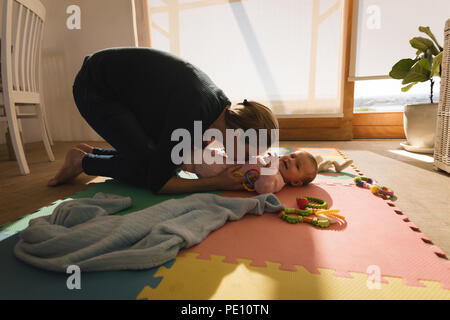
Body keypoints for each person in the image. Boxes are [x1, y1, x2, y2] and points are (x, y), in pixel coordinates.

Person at [47, 47, 279, 194]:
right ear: (239, 133)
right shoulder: (193, 112)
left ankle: (92, 153)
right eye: (248, 152)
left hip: (120, 89)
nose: (247, 159)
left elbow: (184, 139)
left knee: (168, 161)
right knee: (150, 172)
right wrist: (217, 183)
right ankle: (84, 162)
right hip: (95, 88)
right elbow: (159, 184)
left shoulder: (219, 107)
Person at [182, 149, 318, 194]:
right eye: (293, 156)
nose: (291, 160)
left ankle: (176, 163)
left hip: (222, 171)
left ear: (295, 182)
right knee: (201, 152)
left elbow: (263, 188)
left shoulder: (277, 180)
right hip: (229, 159)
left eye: (297, 166)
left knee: (195, 160)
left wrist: (268, 170)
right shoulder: (275, 160)